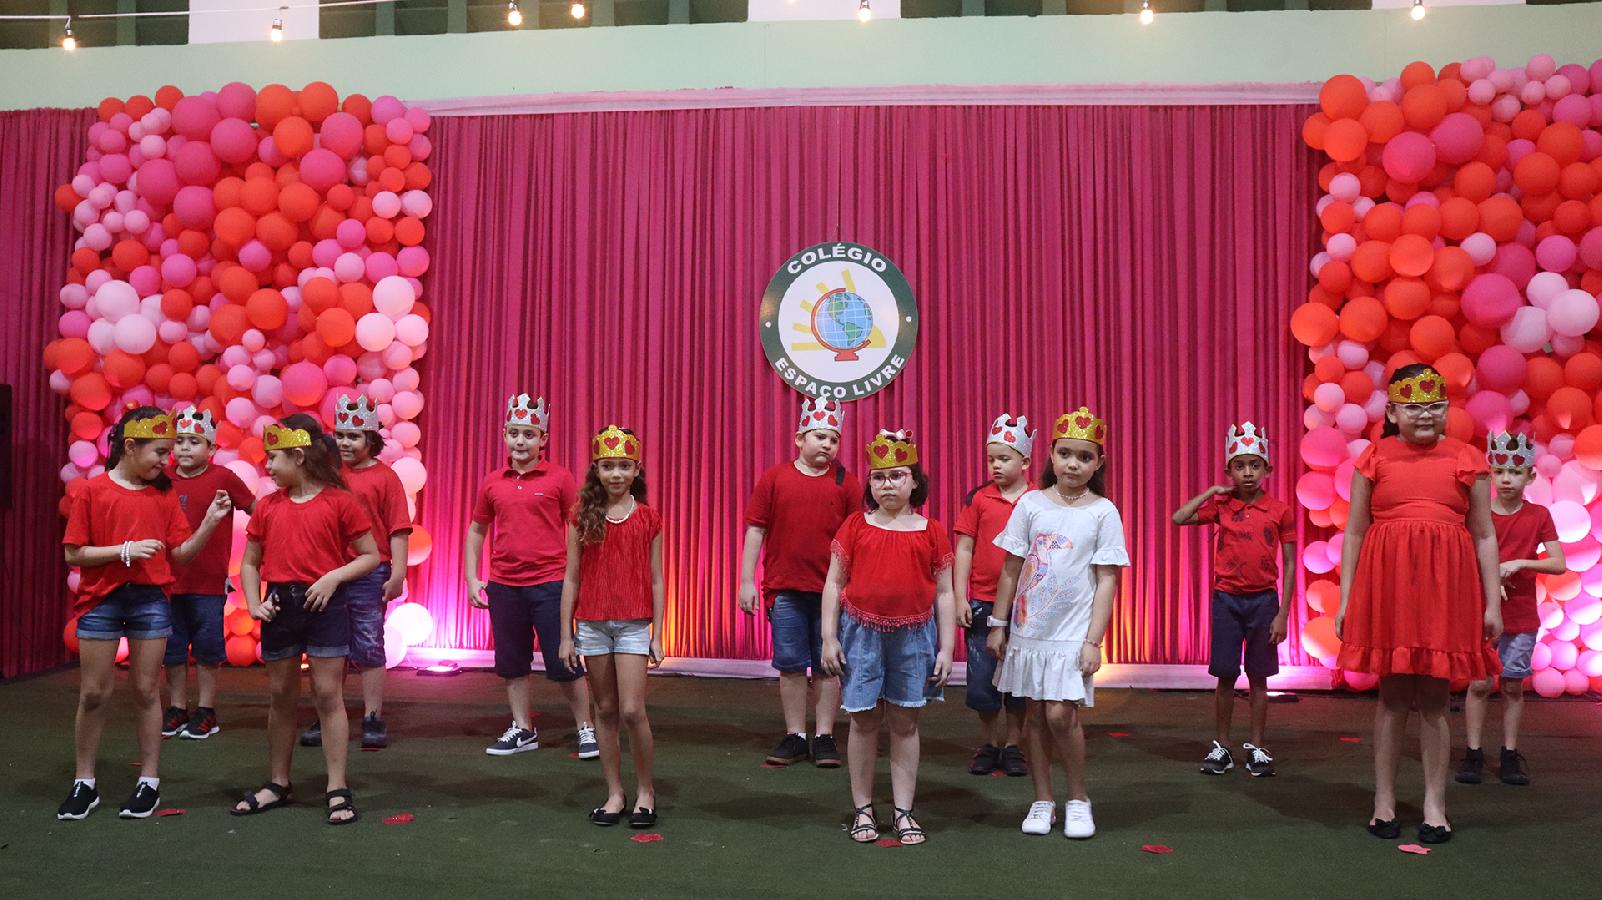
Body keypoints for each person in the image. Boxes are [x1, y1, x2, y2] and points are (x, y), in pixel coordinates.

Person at [1336, 365, 1501, 845]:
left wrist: (1492, 602)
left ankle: (1434, 805)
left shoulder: (1466, 458)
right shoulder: (1374, 457)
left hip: (1446, 592)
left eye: (1434, 406)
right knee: (1391, 698)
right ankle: (1384, 802)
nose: (1425, 415)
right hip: (1388, 589)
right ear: (1392, 412)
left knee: (1434, 700)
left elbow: (1484, 535)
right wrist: (1347, 599)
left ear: (1447, 409)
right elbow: (1354, 533)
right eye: (1413, 407)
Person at [59, 406, 232, 820]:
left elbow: (181, 553)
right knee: (93, 692)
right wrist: (125, 551)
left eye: (168, 452)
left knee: (146, 691)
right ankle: (84, 781)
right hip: (100, 600)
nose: (166, 460)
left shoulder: (163, 494)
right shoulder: (92, 490)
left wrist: (210, 522)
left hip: (151, 599)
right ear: (131, 446)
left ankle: (149, 782)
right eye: (159, 451)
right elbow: (73, 554)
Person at [988, 407, 1128, 840]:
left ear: (1099, 462)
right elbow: (1011, 568)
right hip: (1031, 628)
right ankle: (1043, 799)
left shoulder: (1103, 512)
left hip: (1072, 632)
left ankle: (1079, 799)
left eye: (1084, 457)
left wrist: (1094, 641)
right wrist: (998, 622)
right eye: (1065, 454)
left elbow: (1107, 580)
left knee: (1061, 714)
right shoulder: (1031, 504)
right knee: (1034, 715)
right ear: (1050, 454)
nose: (1073, 464)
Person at [232, 415, 380, 825]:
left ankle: (337, 786)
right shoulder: (268, 506)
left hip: (324, 605)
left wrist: (332, 577)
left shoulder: (339, 501)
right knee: (280, 694)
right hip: (280, 606)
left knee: (328, 695)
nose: (267, 465)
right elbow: (250, 562)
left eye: (273, 457)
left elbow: (371, 555)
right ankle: (278, 782)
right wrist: (253, 603)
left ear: (298, 456)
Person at [821, 429, 955, 846]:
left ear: (914, 481)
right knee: (863, 720)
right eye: (879, 477)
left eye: (897, 475)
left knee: (905, 721)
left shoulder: (931, 530)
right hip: (861, 634)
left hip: (914, 638)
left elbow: (945, 592)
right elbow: (833, 583)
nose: (887, 485)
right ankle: (863, 808)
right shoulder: (855, 526)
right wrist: (829, 637)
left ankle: (903, 811)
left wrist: (947, 647)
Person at [465, 394, 597, 759]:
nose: (520, 441)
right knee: (512, 663)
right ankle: (523, 728)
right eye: (514, 434)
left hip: (550, 583)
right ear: (504, 435)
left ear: (543, 439)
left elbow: (577, 525)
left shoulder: (560, 478)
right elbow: (476, 529)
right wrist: (472, 577)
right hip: (504, 585)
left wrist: (574, 575)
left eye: (528, 434)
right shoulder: (493, 482)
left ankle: (586, 728)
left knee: (564, 660)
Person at [739, 397, 860, 767]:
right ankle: (795, 734)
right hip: (785, 588)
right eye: (820, 436)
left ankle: (824, 735)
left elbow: (858, 537)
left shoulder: (847, 482)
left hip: (831, 593)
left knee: (827, 664)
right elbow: (756, 529)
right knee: (790, 664)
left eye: (834, 439)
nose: (827, 445)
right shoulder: (775, 478)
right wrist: (746, 580)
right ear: (799, 438)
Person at [1171, 422, 1295, 777]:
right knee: (1225, 675)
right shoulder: (1222, 506)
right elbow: (1179, 518)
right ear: (1229, 471)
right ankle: (1222, 746)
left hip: (1263, 602)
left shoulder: (1280, 510)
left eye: (1255, 465)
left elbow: (1289, 564)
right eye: (1239, 466)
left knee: (1259, 677)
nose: (1248, 473)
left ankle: (1257, 746)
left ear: (1268, 469)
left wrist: (1282, 614)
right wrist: (1211, 492)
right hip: (1226, 600)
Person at [558, 426, 666, 827]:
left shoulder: (649, 518)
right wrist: (566, 634)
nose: (616, 474)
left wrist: (658, 632)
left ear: (636, 469)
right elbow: (571, 577)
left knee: (633, 710)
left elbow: (656, 578)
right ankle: (615, 793)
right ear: (596, 469)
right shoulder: (580, 516)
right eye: (608, 466)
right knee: (604, 709)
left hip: (633, 623)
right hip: (592, 624)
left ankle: (646, 791)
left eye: (623, 466)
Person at [300, 394, 411, 751]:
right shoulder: (328, 476)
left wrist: (397, 573)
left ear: (371, 439)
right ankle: (328, 713)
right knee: (328, 647)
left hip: (370, 572)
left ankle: (372, 716)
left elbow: (398, 528)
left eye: (354, 436)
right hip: (329, 572)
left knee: (368, 643)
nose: (346, 443)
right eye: (341, 435)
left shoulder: (385, 478)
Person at [1456, 432, 1564, 787]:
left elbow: (1558, 563)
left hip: (1521, 614)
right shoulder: (1478, 514)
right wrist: (1490, 578)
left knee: (1513, 685)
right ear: (1490, 474)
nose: (1506, 480)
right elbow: (1463, 558)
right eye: (1500, 471)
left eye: (1515, 473)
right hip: (1481, 612)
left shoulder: (1538, 515)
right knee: (1479, 683)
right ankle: (1473, 752)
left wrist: (1518, 563)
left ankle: (1510, 752)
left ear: (1529, 477)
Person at [162, 406, 256, 741]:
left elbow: (257, 510)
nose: (185, 448)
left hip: (208, 583)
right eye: (180, 441)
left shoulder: (223, 478)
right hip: (167, 581)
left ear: (212, 448)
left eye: (194, 442)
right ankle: (177, 707)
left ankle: (206, 709)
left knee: (207, 649)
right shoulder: (162, 478)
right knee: (172, 649)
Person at [953, 414, 1033, 777]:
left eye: (1004, 458)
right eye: (991, 459)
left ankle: (1014, 744)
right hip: (983, 602)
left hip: (1027, 605)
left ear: (1025, 461)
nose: (995, 466)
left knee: (1018, 680)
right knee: (982, 679)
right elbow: (964, 549)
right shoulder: (978, 498)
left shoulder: (1037, 501)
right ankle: (988, 743)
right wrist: (960, 597)